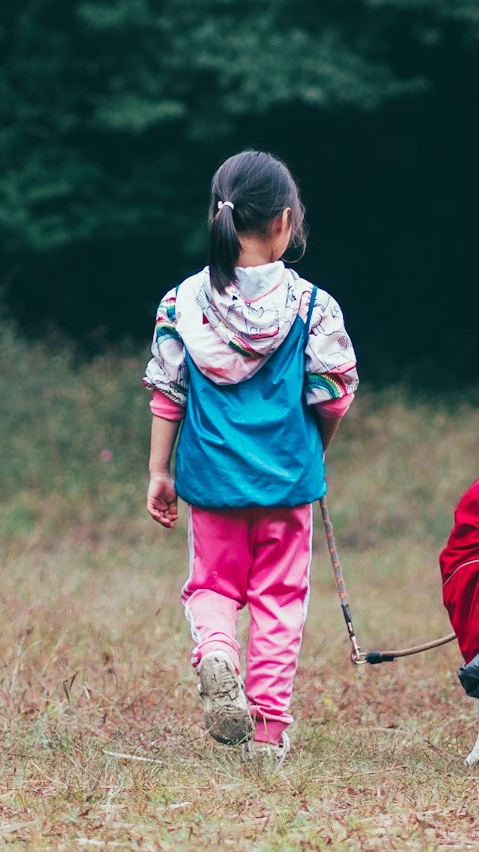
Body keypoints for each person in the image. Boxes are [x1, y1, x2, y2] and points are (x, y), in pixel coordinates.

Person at [143, 149, 357, 761]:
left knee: (212, 584)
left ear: (219, 215)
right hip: (288, 482)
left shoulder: (181, 303)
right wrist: (314, 452)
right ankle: (266, 733)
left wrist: (161, 471)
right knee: (278, 601)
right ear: (285, 223)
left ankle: (215, 650)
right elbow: (334, 392)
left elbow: (167, 389)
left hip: (210, 479)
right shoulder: (314, 307)